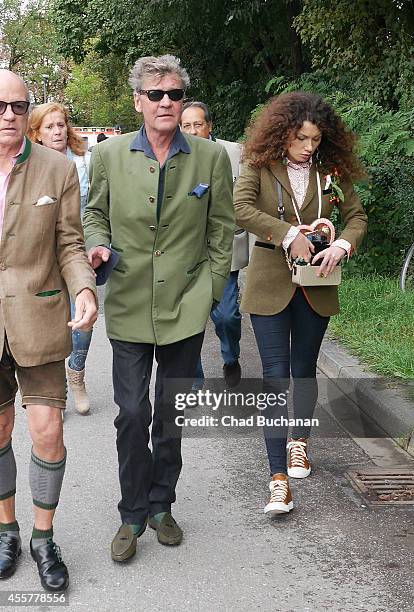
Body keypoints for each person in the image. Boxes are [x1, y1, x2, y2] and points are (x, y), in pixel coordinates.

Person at [83, 55, 234, 561]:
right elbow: (94, 213)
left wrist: (211, 290)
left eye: (173, 94)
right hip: (127, 300)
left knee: (170, 414)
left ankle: (161, 505)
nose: (166, 102)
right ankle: (131, 513)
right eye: (155, 95)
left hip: (186, 305)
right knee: (131, 413)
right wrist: (98, 246)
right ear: (138, 103)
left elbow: (221, 229)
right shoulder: (108, 156)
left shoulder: (210, 157)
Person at [234, 91, 367, 516]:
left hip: (317, 282)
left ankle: (299, 443)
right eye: (302, 139)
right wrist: (289, 233)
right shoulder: (258, 165)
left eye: (315, 139)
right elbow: (241, 209)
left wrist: (341, 244)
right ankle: (277, 480)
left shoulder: (330, 169)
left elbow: (357, 216)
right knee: (274, 377)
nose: (309, 147)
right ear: (283, 134)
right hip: (270, 280)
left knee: (303, 369)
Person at [0, 70, 97, 590]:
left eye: (18, 106)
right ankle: (6, 529)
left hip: (38, 315)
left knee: (47, 432)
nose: (9, 115)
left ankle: (43, 536)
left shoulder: (57, 168)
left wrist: (84, 288)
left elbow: (70, 244)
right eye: (0, 107)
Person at [27, 103, 93, 415]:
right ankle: (57, 388)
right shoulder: (28, 166)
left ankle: (76, 374)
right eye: (50, 127)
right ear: (36, 134)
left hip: (75, 252)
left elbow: (93, 210)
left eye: (61, 125)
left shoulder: (83, 161)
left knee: (83, 319)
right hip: (41, 260)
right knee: (51, 323)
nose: (57, 131)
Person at [180, 101, 248, 388]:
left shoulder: (235, 153)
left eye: (198, 124)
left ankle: (231, 357)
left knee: (227, 315)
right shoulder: (173, 154)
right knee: (187, 320)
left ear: (210, 126)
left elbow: (248, 198)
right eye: (186, 125)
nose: (193, 130)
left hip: (224, 250)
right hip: (185, 252)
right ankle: (194, 378)